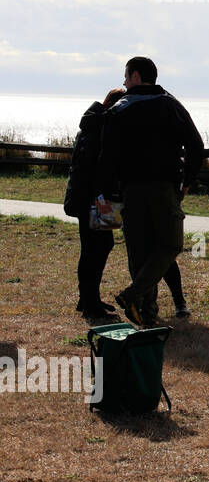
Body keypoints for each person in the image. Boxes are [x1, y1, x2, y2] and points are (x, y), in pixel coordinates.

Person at [95, 57, 204, 328]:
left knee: (140, 252)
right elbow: (196, 145)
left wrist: (108, 194)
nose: (123, 82)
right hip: (164, 187)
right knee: (169, 245)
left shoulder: (117, 110)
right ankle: (136, 300)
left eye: (126, 76)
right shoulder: (170, 105)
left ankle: (146, 313)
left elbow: (105, 157)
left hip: (129, 190)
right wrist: (187, 180)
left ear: (135, 75)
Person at [65, 87, 126, 320]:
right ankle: (90, 303)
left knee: (97, 247)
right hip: (95, 199)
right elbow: (95, 168)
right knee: (95, 249)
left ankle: (88, 298)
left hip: (90, 197)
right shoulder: (100, 129)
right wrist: (101, 198)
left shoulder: (94, 124)